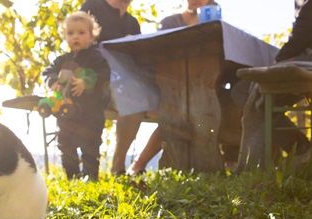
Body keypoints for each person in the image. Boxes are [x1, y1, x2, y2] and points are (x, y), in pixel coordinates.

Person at [127, 0, 219, 175]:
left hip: (204, 87)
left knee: (196, 110)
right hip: (168, 84)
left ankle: (140, 164)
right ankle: (139, 164)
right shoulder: (170, 22)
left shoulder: (215, 21)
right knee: (175, 112)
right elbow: (157, 54)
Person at [237, 0, 312, 171]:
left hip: (306, 64)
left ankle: (251, 167)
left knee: (250, 94)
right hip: (303, 61)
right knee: (243, 91)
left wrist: (276, 62)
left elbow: (299, 39)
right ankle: (300, 148)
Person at [42, 11, 110, 180]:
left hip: (90, 114)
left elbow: (104, 73)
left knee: (90, 147)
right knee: (65, 144)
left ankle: (90, 177)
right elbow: (47, 72)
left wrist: (85, 82)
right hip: (66, 114)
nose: (75, 37)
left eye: (81, 33)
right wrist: (53, 81)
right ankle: (72, 177)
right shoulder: (61, 60)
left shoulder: (96, 58)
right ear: (65, 36)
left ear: (91, 35)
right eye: (71, 33)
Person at [81, 0, 143, 175]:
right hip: (96, 82)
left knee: (144, 100)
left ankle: (118, 166)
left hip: (125, 84)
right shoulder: (91, 7)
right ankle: (88, 170)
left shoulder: (133, 23)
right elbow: (79, 46)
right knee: (132, 98)